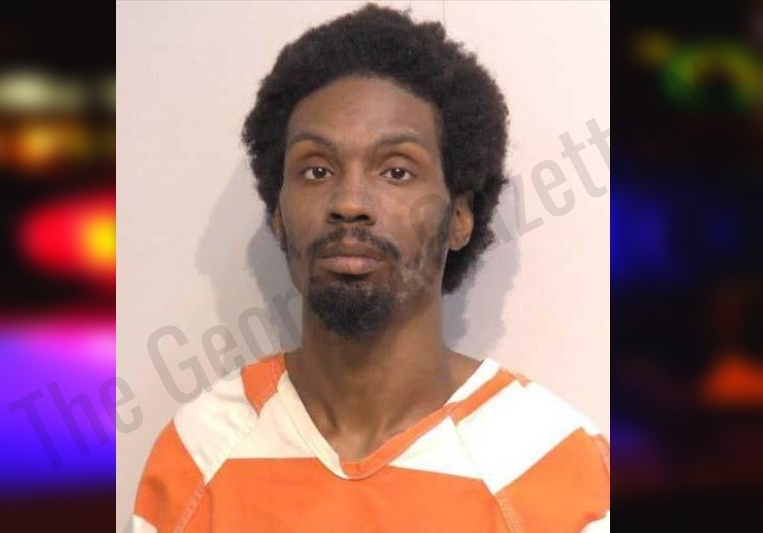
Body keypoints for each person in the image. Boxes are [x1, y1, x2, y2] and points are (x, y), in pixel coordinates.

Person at [132, 4, 609, 532]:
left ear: (460, 216)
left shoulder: (547, 464)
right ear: (279, 215)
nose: (350, 202)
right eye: (317, 170)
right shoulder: (201, 454)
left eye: (396, 171)